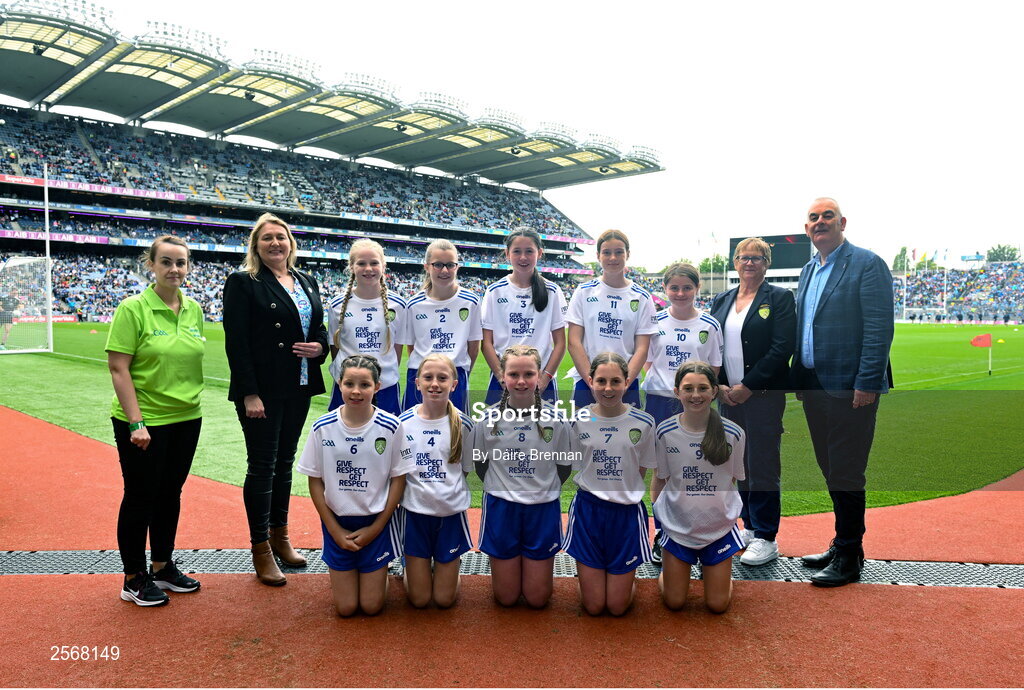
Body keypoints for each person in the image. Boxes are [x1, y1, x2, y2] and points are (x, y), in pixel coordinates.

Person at [791, 197, 894, 587]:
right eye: (813, 218)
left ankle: (850, 555)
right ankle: (841, 543)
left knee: (847, 472)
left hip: (851, 388)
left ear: (842, 222)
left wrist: (867, 383)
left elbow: (879, 329)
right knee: (830, 468)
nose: (820, 223)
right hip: (815, 386)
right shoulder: (808, 270)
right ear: (807, 229)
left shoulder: (866, 263)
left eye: (827, 216)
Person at [223, 212, 329, 586]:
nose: (275, 244)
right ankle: (260, 548)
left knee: (284, 464)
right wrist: (250, 393)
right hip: (263, 392)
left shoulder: (306, 280)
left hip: (298, 386)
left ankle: (280, 536)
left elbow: (319, 329)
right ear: (256, 245)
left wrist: (320, 347)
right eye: (267, 238)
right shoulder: (243, 282)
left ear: (290, 243)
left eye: (281, 237)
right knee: (262, 466)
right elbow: (236, 343)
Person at [106, 235, 204, 606]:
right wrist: (135, 422)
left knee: (170, 494)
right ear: (151, 265)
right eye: (166, 262)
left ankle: (162, 566)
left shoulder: (193, 309)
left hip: (187, 417)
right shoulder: (133, 309)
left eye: (180, 263)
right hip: (144, 420)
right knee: (140, 497)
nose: (174, 269)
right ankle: (133, 577)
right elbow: (118, 368)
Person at [297, 355, 412, 616]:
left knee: (371, 607)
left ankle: (379, 571)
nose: (356, 391)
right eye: (349, 383)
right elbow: (314, 480)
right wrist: (334, 529)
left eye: (365, 385)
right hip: (338, 524)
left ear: (377, 387)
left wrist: (378, 526)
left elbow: (399, 478)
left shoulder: (391, 426)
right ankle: (359, 572)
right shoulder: (323, 427)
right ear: (339, 384)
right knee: (346, 608)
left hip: (376, 522)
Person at [711, 238, 796, 567]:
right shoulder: (722, 299)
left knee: (763, 464)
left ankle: (766, 535)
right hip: (727, 397)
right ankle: (748, 525)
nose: (750, 263)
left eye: (757, 258)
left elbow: (781, 348)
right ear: (735, 262)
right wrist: (719, 385)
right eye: (744, 257)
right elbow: (711, 345)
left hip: (762, 396)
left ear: (767, 263)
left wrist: (748, 386)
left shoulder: (780, 298)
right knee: (737, 463)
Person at [472, 344, 574, 608]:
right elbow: (481, 465)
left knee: (538, 599)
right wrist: (505, 488)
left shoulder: (557, 419)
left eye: (528, 374)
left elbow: (563, 468)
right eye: (513, 374)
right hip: (501, 508)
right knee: (505, 598)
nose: (521, 381)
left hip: (541, 510)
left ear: (539, 376)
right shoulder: (487, 419)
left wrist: (538, 489)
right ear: (502, 377)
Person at [563, 352, 656, 616]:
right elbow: (578, 465)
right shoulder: (580, 419)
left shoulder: (644, 422)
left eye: (616, 381)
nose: (608, 388)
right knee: (594, 607)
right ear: (590, 381)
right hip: (588, 511)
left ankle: (625, 581)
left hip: (625, 514)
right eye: (601, 381)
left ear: (627, 383)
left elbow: (640, 470)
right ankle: (595, 576)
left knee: (616, 607)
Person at [651, 361, 746, 613]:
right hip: (678, 527)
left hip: (717, 528)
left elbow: (731, 480)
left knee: (717, 605)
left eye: (703, 388)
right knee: (675, 602)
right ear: (676, 392)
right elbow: (660, 479)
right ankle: (672, 570)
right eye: (688, 388)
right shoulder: (665, 431)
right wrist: (660, 523)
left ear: (714, 391)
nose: (695, 395)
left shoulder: (734, 433)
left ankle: (718, 573)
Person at [396, 354, 475, 608]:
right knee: (419, 600)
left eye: (442, 378)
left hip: (450, 515)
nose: (435, 384)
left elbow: (464, 472)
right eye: (428, 378)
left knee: (443, 600)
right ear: (416, 383)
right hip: (415, 514)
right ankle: (409, 564)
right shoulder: (402, 424)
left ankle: (452, 564)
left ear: (454, 384)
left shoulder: (464, 425)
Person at [566, 229, 658, 408]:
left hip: (626, 384)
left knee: (624, 434)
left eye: (619, 252)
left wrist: (624, 383)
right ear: (598, 255)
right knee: (582, 433)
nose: (613, 258)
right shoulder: (584, 291)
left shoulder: (641, 297)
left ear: (628, 254)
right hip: (587, 382)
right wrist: (592, 381)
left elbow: (642, 348)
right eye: (607, 252)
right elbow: (574, 342)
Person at [481, 227, 567, 404]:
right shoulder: (495, 291)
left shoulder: (552, 291)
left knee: (547, 431)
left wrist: (545, 378)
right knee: (496, 430)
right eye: (517, 251)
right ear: (507, 254)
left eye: (529, 251)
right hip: (504, 381)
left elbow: (560, 343)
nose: (523, 257)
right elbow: (486, 342)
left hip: (542, 381)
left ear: (540, 253)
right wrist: (501, 376)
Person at [327, 239, 407, 415]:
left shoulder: (399, 305)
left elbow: (397, 349)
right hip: (347, 388)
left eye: (374, 263)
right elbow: (335, 348)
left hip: (385, 386)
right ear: (351, 267)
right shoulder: (337, 304)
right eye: (361, 263)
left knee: (386, 439)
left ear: (384, 266)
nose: (368, 269)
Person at [400, 239, 481, 412]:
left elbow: (474, 348)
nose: (444, 270)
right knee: (414, 430)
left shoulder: (471, 301)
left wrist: (459, 372)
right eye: (438, 265)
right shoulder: (414, 304)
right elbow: (412, 347)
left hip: (455, 375)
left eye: (450, 265)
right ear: (427, 267)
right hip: (419, 374)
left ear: (457, 267)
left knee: (456, 431)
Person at [642, 262, 723, 424]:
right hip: (658, 398)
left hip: (694, 399)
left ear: (697, 287)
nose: (680, 293)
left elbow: (714, 367)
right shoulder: (654, 322)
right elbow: (647, 361)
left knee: (692, 447)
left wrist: (696, 390)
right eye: (674, 288)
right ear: (665, 288)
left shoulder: (710, 325)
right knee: (657, 447)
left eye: (687, 288)